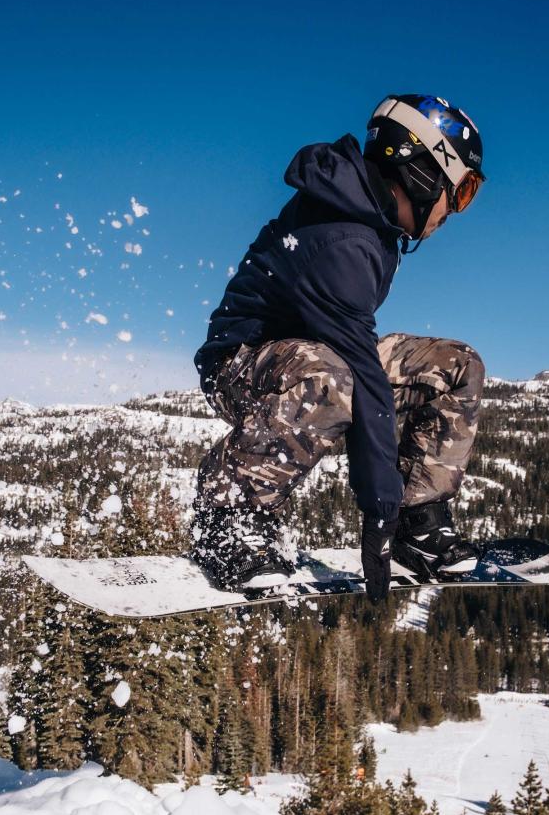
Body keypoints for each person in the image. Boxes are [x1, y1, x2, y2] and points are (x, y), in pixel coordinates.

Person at [191, 94, 488, 600]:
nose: (454, 210)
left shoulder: (372, 220)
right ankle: (229, 514)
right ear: (422, 172)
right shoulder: (343, 239)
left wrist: (397, 509)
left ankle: (421, 524)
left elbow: (359, 359)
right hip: (241, 366)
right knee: (329, 377)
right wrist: (378, 513)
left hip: (315, 357)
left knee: (455, 368)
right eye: (460, 192)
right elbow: (361, 376)